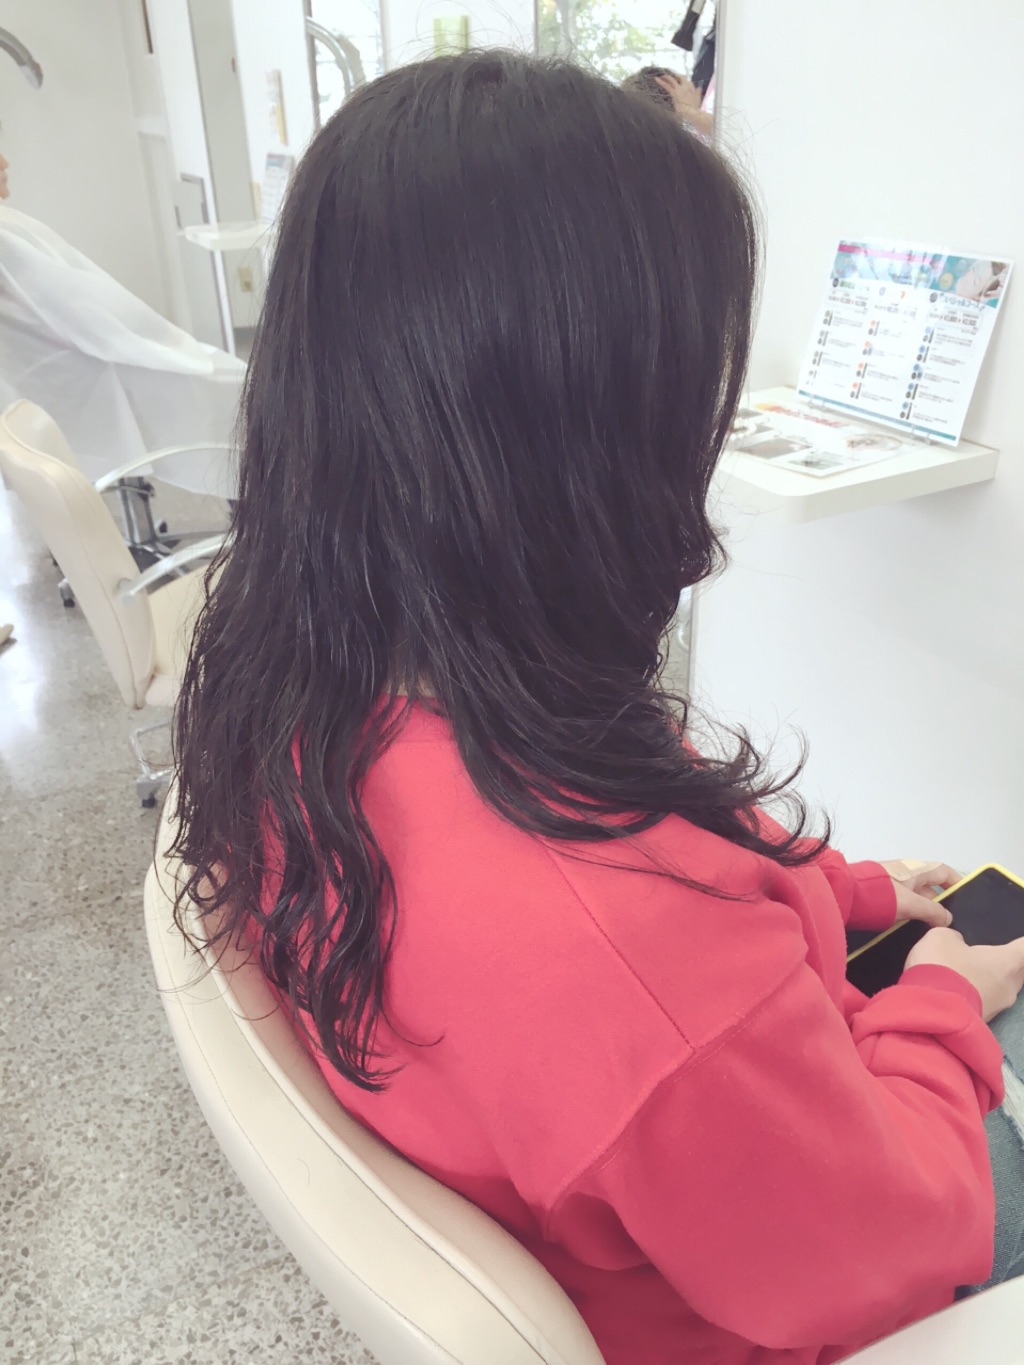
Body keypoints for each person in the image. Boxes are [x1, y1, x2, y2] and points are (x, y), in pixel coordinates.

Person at [171, 52, 1024, 1365]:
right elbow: (905, 1241)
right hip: (804, 1281)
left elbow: (659, 883)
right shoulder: (631, 951)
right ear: (590, 437)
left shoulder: (307, 688)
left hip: (676, 1182)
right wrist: (946, 1002)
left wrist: (848, 892)